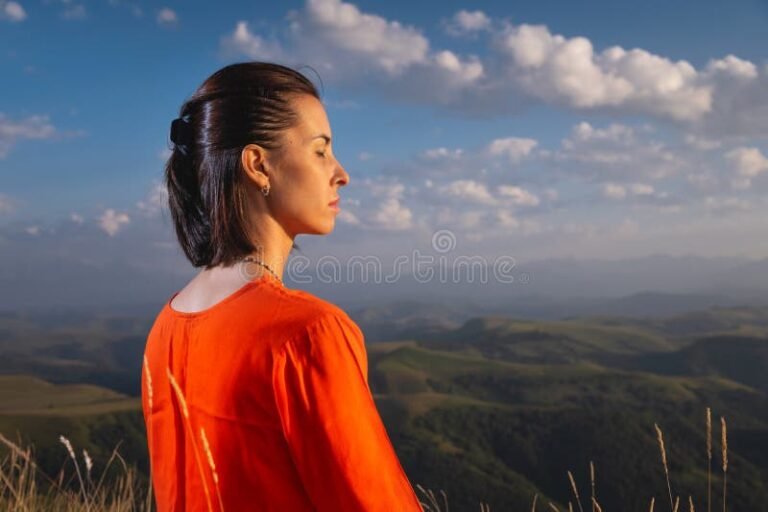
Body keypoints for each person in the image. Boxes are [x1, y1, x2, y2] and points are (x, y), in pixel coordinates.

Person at [141, 62, 423, 511]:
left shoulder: (166, 327)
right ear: (258, 164)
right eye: (320, 151)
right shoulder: (307, 333)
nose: (341, 173)